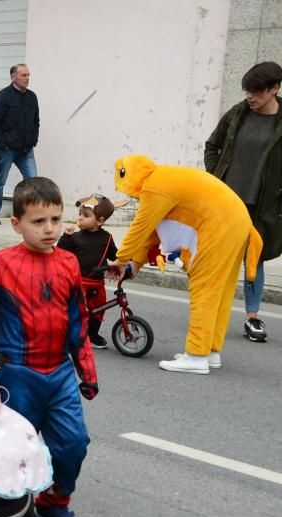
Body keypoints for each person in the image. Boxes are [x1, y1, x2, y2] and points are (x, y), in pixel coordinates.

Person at [0, 176, 97, 517]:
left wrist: (86, 369)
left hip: (60, 374)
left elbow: (77, 319)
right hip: (16, 374)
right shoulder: (2, 264)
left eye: (55, 219)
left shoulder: (69, 263)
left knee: (73, 442)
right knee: (18, 449)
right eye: (39, 222)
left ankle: (55, 503)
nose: (49, 229)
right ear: (16, 224)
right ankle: (20, 511)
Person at [107, 154, 261, 374]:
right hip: (238, 222)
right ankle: (210, 351)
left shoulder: (154, 187)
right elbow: (154, 230)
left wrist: (121, 260)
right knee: (221, 291)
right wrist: (136, 263)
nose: (133, 198)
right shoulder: (165, 179)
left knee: (204, 290)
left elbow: (140, 227)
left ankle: (196, 357)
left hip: (219, 225)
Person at [204, 61, 282, 344]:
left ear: (274, 88)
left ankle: (252, 318)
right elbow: (212, 145)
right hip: (226, 201)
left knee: (254, 259)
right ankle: (209, 310)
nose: (250, 96)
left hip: (261, 205)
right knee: (218, 257)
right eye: (248, 90)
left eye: (257, 91)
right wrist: (214, 178)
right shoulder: (238, 113)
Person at [56, 195, 122, 349]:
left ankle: (92, 335)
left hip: (97, 282)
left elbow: (115, 255)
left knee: (98, 310)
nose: (80, 218)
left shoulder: (107, 238)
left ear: (99, 221)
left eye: (86, 215)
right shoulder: (76, 237)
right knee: (73, 310)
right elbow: (60, 252)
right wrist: (66, 236)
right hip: (78, 281)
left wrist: (127, 260)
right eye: (80, 214)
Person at [0, 64, 39, 225]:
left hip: (26, 150)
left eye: (28, 75)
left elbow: (36, 121)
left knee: (33, 181)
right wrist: (3, 145)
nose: (27, 78)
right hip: (7, 150)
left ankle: (31, 213)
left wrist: (33, 140)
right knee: (0, 180)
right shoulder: (3, 96)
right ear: (13, 77)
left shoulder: (32, 97)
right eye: (24, 75)